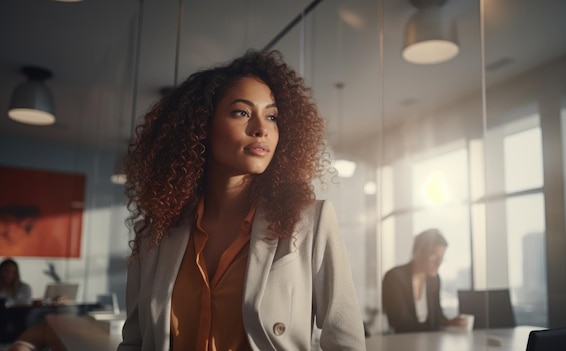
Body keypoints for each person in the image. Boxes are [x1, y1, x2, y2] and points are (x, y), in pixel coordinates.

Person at [117, 49, 365, 351]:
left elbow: (346, 341)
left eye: (272, 116)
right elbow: (134, 342)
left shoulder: (311, 222)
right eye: (242, 112)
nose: (261, 128)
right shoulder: (154, 234)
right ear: (201, 127)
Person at [382, 228, 466, 333]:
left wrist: (450, 322)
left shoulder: (434, 279)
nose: (438, 263)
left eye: (441, 258)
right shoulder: (394, 277)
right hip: (402, 343)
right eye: (434, 258)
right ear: (418, 252)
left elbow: (437, 316)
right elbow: (399, 322)